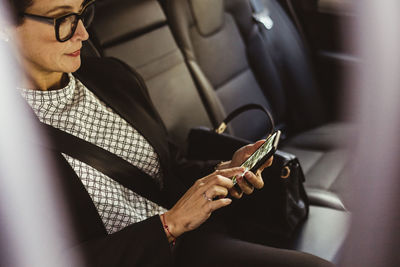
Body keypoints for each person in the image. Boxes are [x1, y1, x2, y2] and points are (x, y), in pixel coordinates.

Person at [5, 0, 334, 266]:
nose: (84, 34)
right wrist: (168, 226)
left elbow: (167, 168)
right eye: (63, 19)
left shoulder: (114, 78)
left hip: (196, 240)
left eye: (83, 12)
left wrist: (223, 172)